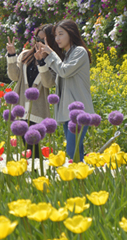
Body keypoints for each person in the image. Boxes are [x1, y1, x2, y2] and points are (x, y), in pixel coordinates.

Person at [37, 19, 94, 162]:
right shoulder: (66, 55)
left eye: (61, 34)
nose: (57, 39)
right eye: (56, 35)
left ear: (71, 33)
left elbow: (64, 71)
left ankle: (78, 179)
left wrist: (51, 54)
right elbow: (53, 79)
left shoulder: (79, 52)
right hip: (67, 112)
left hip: (79, 112)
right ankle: (80, 181)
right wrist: (41, 61)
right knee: (75, 152)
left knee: (71, 150)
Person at [6, 24, 61, 157]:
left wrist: (42, 62)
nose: (39, 43)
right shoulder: (25, 55)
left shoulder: (52, 60)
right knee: (28, 148)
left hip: (38, 110)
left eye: (43, 40)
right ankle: (34, 173)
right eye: (37, 39)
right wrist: (12, 55)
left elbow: (48, 83)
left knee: (32, 148)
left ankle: (36, 173)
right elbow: (14, 76)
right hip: (21, 108)